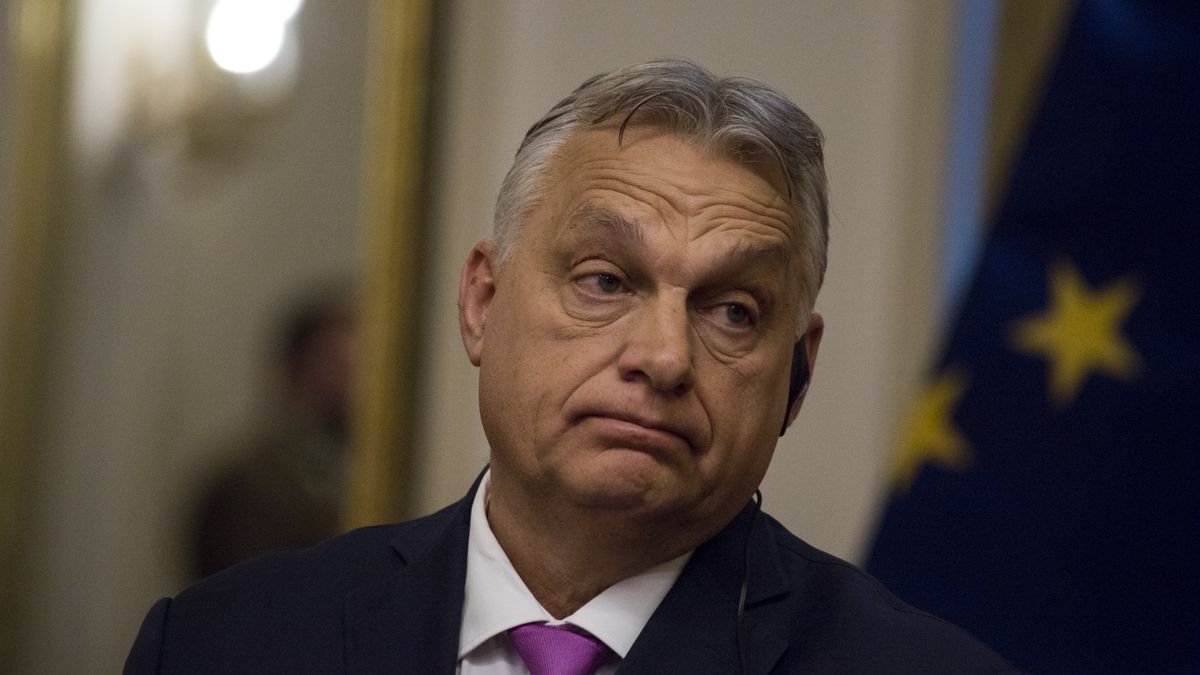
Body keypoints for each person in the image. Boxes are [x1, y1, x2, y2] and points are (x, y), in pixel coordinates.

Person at [126, 60, 1017, 674]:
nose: (664, 358)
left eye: (734, 311)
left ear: (796, 372)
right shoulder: (223, 642)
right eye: (604, 280)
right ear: (481, 300)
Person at [189, 288, 356, 579]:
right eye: (337, 366)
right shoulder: (248, 484)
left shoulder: (355, 470)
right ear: (296, 369)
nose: (354, 387)